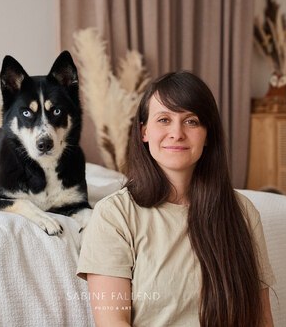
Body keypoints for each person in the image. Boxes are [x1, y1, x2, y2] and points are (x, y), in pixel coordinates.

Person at [77, 71, 275, 326]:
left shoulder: (242, 211)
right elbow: (112, 322)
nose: (177, 132)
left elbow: (262, 319)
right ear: (144, 132)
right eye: (163, 120)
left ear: (208, 135)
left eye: (191, 121)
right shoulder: (114, 215)